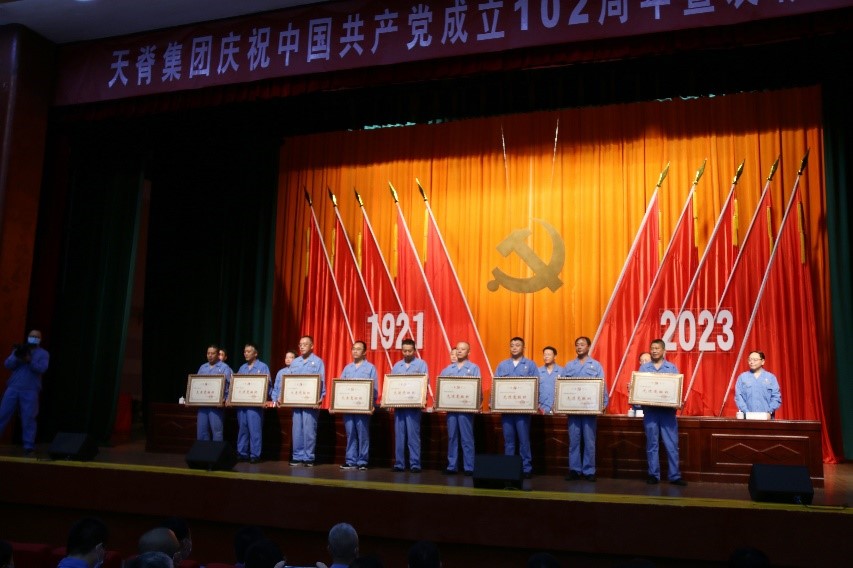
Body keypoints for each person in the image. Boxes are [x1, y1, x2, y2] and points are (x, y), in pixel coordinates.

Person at [640, 339, 686, 486]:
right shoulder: (644, 369)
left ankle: (675, 476)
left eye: (657, 348)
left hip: (668, 413)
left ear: (663, 351)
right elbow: (640, 389)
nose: (654, 351)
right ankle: (653, 475)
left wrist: (678, 400)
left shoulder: (671, 368)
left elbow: (677, 389)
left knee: (672, 445)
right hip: (650, 412)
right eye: (652, 348)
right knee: (652, 444)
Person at [562, 336, 607, 482]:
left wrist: (603, 403)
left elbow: (602, 385)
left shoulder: (596, 365)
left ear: (588, 347)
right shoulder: (569, 366)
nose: (579, 347)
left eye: (582, 344)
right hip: (573, 410)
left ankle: (589, 470)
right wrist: (560, 404)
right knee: (574, 441)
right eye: (577, 345)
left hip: (589, 410)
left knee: (589, 441)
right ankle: (574, 470)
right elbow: (562, 386)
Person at [1, 329, 49, 456]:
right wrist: (16, 356)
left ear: (40, 339)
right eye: (32, 336)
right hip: (13, 387)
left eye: (36, 337)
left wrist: (29, 360)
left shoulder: (43, 353)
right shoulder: (19, 350)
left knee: (29, 418)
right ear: (28, 337)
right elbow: (7, 365)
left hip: (30, 390)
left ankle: (28, 446)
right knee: (2, 415)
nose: (34, 338)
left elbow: (42, 369)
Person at [494, 337, 537, 478]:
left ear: (523, 348)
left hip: (523, 411)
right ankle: (509, 467)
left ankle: (526, 468)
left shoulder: (530, 365)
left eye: (517, 345)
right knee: (509, 441)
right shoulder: (502, 365)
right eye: (512, 345)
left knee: (524, 440)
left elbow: (536, 385)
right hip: (506, 410)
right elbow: (496, 385)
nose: (514, 347)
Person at [440, 341, 481, 475]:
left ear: (469, 352)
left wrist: (477, 403)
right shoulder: (448, 369)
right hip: (452, 410)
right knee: (452, 437)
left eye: (463, 349)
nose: (459, 351)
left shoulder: (473, 368)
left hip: (466, 410)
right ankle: (452, 466)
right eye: (458, 349)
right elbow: (441, 388)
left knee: (467, 438)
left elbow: (478, 388)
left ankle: (469, 467)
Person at [338, 341, 378, 471]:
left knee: (363, 434)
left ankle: (362, 461)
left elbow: (374, 388)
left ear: (365, 352)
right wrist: (337, 403)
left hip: (363, 407)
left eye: (358, 349)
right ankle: (350, 460)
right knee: (350, 434)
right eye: (353, 348)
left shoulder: (370, 368)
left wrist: (372, 404)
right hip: (348, 407)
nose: (355, 351)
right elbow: (340, 386)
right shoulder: (347, 368)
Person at [287, 336, 325, 466]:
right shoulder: (295, 362)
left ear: (312, 346)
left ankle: (309, 457)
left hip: (310, 402)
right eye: (300, 344)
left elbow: (321, 381)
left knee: (309, 430)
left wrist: (320, 398)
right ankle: (297, 456)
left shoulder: (318, 362)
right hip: (296, 401)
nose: (302, 346)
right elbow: (289, 381)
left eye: (305, 344)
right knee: (297, 429)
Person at [391, 338, 427, 473]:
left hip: (413, 407)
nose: (407, 353)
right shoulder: (397, 366)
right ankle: (399, 463)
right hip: (399, 406)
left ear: (415, 350)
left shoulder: (421, 364)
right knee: (399, 436)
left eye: (409, 351)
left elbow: (424, 382)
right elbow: (392, 384)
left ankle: (415, 464)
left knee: (413, 436)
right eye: (404, 351)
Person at [236, 343, 270, 464]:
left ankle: (255, 454)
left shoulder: (263, 367)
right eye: (245, 351)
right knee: (242, 429)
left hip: (255, 406)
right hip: (242, 405)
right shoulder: (242, 368)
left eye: (249, 351)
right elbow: (236, 385)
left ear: (255, 353)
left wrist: (264, 399)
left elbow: (267, 385)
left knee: (255, 430)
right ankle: (242, 453)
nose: (246, 353)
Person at [194, 345, 232, 441]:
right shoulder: (203, 367)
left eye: (213, 353)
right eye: (208, 353)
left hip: (216, 406)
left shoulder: (224, 367)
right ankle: (203, 450)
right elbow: (196, 384)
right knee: (202, 431)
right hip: (203, 405)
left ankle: (216, 451)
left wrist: (227, 399)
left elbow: (231, 385)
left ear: (218, 354)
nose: (210, 355)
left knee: (217, 432)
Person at [734, 351, 781, 417]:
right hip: (747, 418)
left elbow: (776, 397)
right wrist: (747, 413)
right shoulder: (742, 377)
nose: (751, 362)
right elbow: (738, 397)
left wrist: (769, 412)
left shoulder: (771, 378)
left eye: (755, 360)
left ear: (762, 361)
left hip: (766, 418)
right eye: (750, 359)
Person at [537, 346, 562, 415]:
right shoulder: (538, 371)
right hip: (541, 410)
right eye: (545, 355)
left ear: (555, 356)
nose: (546, 357)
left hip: (557, 410)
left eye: (549, 354)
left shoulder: (562, 371)